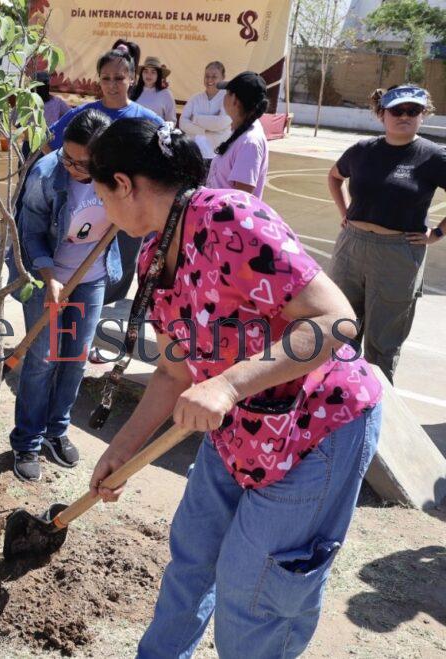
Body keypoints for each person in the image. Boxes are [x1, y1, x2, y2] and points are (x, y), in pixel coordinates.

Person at [86, 119, 383, 658]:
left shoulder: (230, 217)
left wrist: (225, 385)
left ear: (124, 184)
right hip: (241, 428)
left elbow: (335, 319)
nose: (103, 210)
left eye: (102, 194)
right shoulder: (155, 257)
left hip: (314, 426)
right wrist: (122, 450)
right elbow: (175, 373)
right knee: (192, 559)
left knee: (256, 593)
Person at [8, 109, 141, 482]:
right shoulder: (46, 175)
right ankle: (28, 441)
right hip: (45, 274)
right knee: (43, 359)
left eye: (80, 162)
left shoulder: (121, 174)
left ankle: (56, 431)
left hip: (91, 276)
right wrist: (48, 278)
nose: (69, 166)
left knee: (75, 358)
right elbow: (30, 234)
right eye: (66, 155)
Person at [328, 84, 446, 383]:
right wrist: (345, 213)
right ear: (382, 114)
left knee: (382, 345)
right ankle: (336, 405)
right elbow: (335, 175)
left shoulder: (433, 157)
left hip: (398, 254)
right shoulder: (362, 150)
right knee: (339, 330)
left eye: (413, 110)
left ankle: (375, 410)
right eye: (397, 110)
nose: (404, 116)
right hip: (351, 248)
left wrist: (438, 233)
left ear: (423, 114)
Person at [44, 44, 162, 153]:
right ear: (99, 79)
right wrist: (69, 170)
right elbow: (45, 142)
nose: (112, 85)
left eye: (119, 78)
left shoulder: (149, 120)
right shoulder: (82, 114)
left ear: (132, 79)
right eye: (106, 78)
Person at [206, 71, 270, 197]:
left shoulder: (249, 142)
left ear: (235, 100)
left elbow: (241, 199)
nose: (223, 97)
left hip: (226, 216)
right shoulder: (241, 132)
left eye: (227, 93)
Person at [179, 61, 232, 156]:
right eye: (207, 76)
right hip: (196, 153)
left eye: (214, 76)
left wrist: (195, 118)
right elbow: (183, 123)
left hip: (218, 155)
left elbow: (221, 122)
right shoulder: (195, 98)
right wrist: (205, 130)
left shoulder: (228, 98)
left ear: (223, 78)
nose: (209, 80)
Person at [131, 56, 176, 123]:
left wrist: (162, 131)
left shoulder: (166, 94)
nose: (149, 75)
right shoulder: (132, 91)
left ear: (158, 75)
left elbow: (171, 121)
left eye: (153, 72)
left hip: (156, 132)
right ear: (141, 74)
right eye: (146, 71)